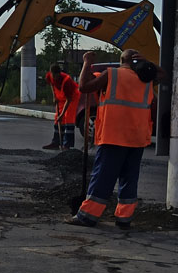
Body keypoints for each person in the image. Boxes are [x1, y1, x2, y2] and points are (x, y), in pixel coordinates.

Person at [67, 49, 157, 229]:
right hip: (137, 138)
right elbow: (163, 74)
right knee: (129, 179)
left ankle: (87, 216)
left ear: (121, 60)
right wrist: (147, 61)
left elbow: (84, 86)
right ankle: (124, 219)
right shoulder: (147, 78)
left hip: (114, 135)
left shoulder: (112, 74)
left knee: (103, 177)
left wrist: (86, 62)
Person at [41, 64, 80, 150]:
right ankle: (56, 143)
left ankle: (67, 145)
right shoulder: (49, 76)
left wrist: (62, 114)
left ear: (60, 73)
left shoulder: (67, 81)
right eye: (53, 75)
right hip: (61, 98)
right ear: (50, 73)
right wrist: (54, 96)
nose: (54, 77)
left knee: (68, 119)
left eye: (56, 75)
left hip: (72, 97)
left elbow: (69, 99)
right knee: (57, 119)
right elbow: (52, 84)